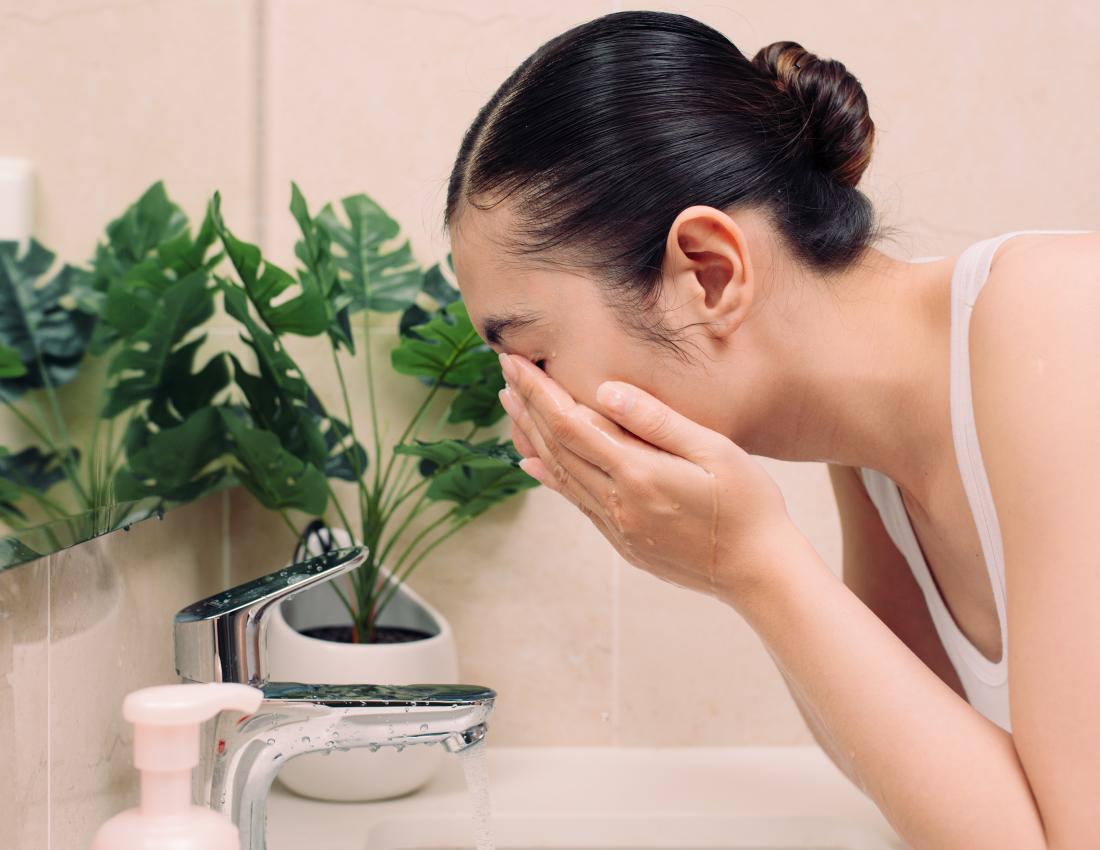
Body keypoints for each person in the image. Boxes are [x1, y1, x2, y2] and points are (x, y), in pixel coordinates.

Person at [442, 10, 1098, 848]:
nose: (533, 411)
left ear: (709, 274)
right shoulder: (871, 443)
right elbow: (933, 804)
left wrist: (755, 565)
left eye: (534, 356)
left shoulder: (1062, 323)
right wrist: (737, 571)